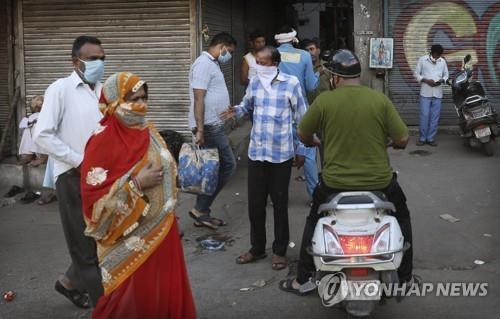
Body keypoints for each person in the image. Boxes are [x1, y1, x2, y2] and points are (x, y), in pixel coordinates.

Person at [279, 49, 417, 295]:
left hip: (334, 184)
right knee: (402, 216)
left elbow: (302, 133)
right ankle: (405, 279)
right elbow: (403, 138)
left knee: (314, 219)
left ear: (335, 77)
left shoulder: (324, 101)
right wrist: (394, 143)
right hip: (380, 182)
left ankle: (302, 279)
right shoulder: (379, 100)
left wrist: (313, 141)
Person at [81, 72, 196, 319]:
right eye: (133, 99)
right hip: (128, 237)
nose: (141, 105)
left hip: (162, 228)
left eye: (144, 98)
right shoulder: (101, 142)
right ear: (114, 101)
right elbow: (93, 204)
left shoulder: (147, 131)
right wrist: (135, 184)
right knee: (130, 298)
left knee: (162, 290)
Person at [33, 35, 105, 308]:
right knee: (85, 248)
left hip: (102, 177)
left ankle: (68, 283)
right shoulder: (60, 89)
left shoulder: (102, 90)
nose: (99, 63)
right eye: (93, 58)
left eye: (102, 58)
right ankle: (107, 309)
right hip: (73, 176)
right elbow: (42, 135)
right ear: (76, 62)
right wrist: (79, 160)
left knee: (101, 238)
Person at [221, 46, 307, 271]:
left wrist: (301, 150)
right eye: (256, 61)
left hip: (281, 155)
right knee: (255, 204)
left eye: (262, 62)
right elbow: (247, 106)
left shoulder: (291, 83)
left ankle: (279, 251)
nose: (257, 65)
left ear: (274, 63)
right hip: (257, 153)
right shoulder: (255, 83)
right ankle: (257, 248)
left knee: (279, 204)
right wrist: (235, 111)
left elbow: (302, 119)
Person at [188, 32, 237, 230]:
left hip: (212, 123)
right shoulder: (203, 64)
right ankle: (201, 209)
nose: (229, 55)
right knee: (228, 165)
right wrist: (200, 129)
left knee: (213, 168)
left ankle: (202, 211)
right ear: (222, 46)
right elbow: (199, 98)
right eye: (229, 51)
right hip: (208, 126)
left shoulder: (212, 63)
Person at [275, 26, 319, 204]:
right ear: (294, 40)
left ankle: (277, 196)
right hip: (300, 111)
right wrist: (316, 74)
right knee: (308, 154)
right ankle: (315, 197)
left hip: (277, 111)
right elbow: (310, 86)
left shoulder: (271, 55)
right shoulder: (304, 56)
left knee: (279, 155)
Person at [414, 44, 449, 146]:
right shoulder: (422, 60)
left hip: (437, 94)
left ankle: (430, 138)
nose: (438, 57)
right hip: (425, 93)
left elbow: (446, 75)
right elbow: (416, 74)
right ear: (432, 53)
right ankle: (422, 138)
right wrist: (425, 80)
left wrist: (442, 80)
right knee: (424, 116)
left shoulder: (442, 61)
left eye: (439, 55)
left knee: (435, 117)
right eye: (436, 55)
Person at [18, 95, 46, 166]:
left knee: (36, 128)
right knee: (28, 128)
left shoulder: (46, 114)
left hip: (46, 144)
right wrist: (30, 122)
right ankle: (29, 153)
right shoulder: (32, 116)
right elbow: (21, 125)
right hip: (34, 124)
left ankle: (43, 156)